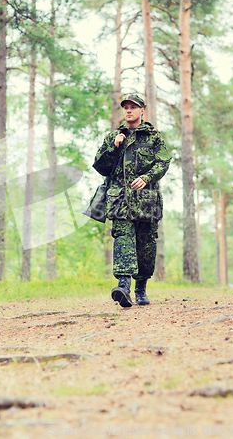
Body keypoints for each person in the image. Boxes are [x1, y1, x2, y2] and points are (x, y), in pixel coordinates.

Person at [93, 94, 171, 308]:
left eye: (133, 107)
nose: (129, 111)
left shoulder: (154, 137)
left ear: (142, 110)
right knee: (123, 240)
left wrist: (147, 177)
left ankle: (141, 288)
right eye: (126, 107)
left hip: (147, 201)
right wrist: (114, 148)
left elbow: (164, 161)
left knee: (146, 246)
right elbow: (100, 166)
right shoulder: (113, 137)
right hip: (120, 200)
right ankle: (124, 286)